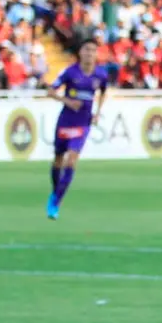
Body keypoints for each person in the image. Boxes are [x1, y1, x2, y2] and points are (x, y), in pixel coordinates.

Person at [45, 39, 109, 220]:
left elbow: (103, 91)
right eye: (86, 50)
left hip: (83, 123)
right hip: (66, 120)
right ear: (80, 52)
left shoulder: (100, 75)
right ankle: (55, 192)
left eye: (93, 50)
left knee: (71, 160)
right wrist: (67, 101)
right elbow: (50, 90)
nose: (89, 53)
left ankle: (56, 202)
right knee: (58, 159)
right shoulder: (70, 72)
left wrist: (97, 112)